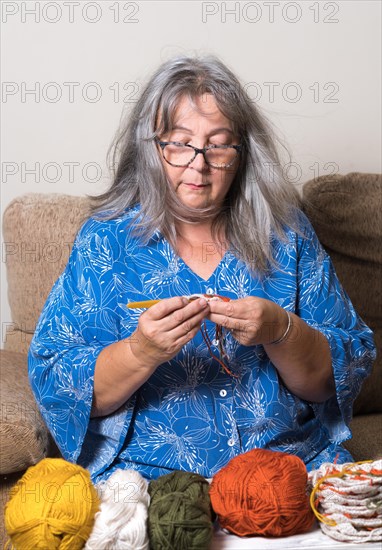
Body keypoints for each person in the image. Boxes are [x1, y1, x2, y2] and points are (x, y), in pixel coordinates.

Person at [28, 56, 376, 484]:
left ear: (243, 153)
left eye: (218, 144)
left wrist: (283, 331)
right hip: (152, 482)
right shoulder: (106, 241)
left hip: (287, 468)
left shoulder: (287, 234)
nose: (198, 162)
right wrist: (140, 352)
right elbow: (55, 380)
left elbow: (343, 371)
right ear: (151, 148)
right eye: (178, 142)